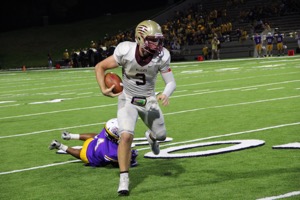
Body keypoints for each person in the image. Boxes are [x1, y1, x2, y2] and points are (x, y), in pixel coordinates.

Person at [94, 19, 176, 196]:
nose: (157, 44)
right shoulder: (126, 51)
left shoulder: (162, 56)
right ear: (140, 38)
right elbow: (100, 67)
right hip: (128, 99)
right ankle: (124, 179)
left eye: (158, 40)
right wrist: (103, 88)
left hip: (148, 100)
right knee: (125, 136)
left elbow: (171, 82)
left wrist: (165, 94)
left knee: (161, 135)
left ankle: (151, 137)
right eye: (152, 40)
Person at [48, 118, 138, 168]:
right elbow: (116, 162)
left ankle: (70, 136)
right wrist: (131, 157)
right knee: (79, 153)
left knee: (97, 136)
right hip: (88, 154)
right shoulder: (112, 152)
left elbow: (98, 136)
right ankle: (60, 146)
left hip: (93, 142)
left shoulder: (107, 130)